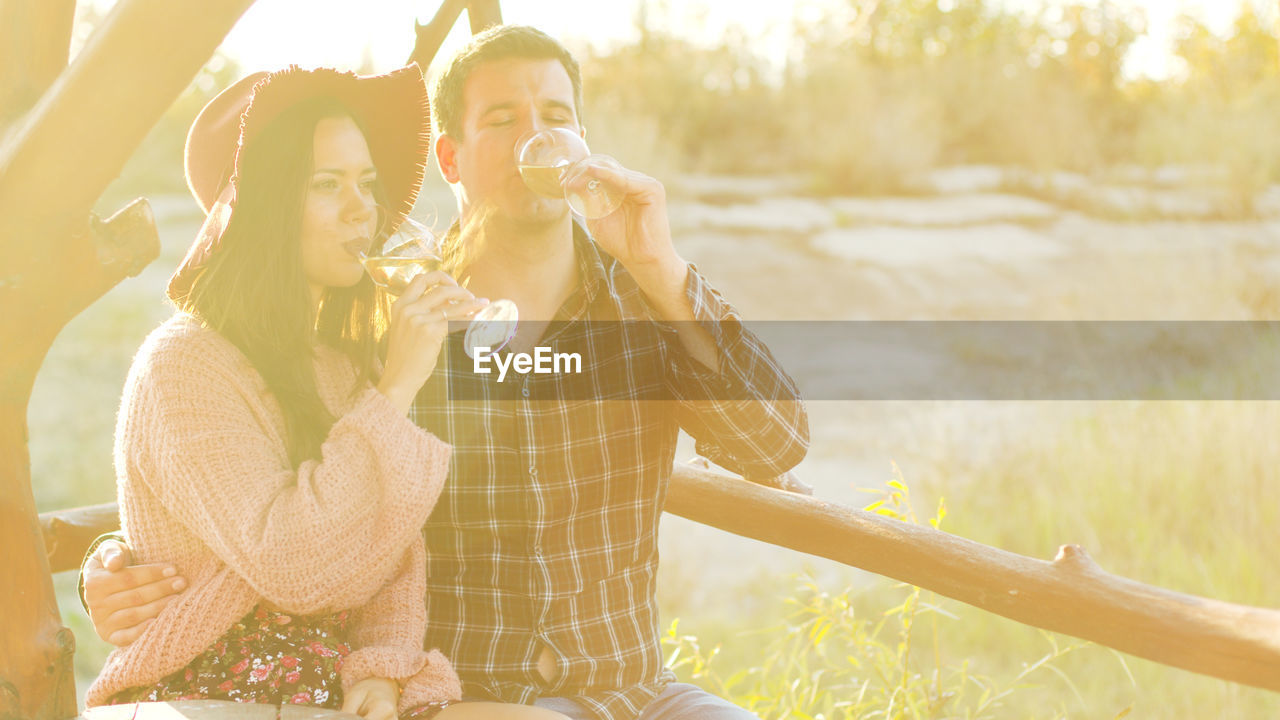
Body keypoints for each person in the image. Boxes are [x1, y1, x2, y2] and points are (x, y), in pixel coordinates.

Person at [85, 26, 809, 720]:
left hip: (634, 692)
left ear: (583, 144)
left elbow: (773, 446)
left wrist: (662, 269)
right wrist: (112, 560)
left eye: (556, 116)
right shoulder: (383, 323)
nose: (536, 137)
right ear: (451, 158)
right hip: (458, 692)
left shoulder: (643, 302)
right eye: (502, 119)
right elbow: (249, 489)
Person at [81, 63, 565, 720]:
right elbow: (293, 566)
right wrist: (396, 386)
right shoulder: (183, 364)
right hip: (210, 688)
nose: (362, 208)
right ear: (266, 207)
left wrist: (382, 672)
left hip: (330, 694)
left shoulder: (340, 365)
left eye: (367, 183)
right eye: (327, 185)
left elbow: (394, 556)